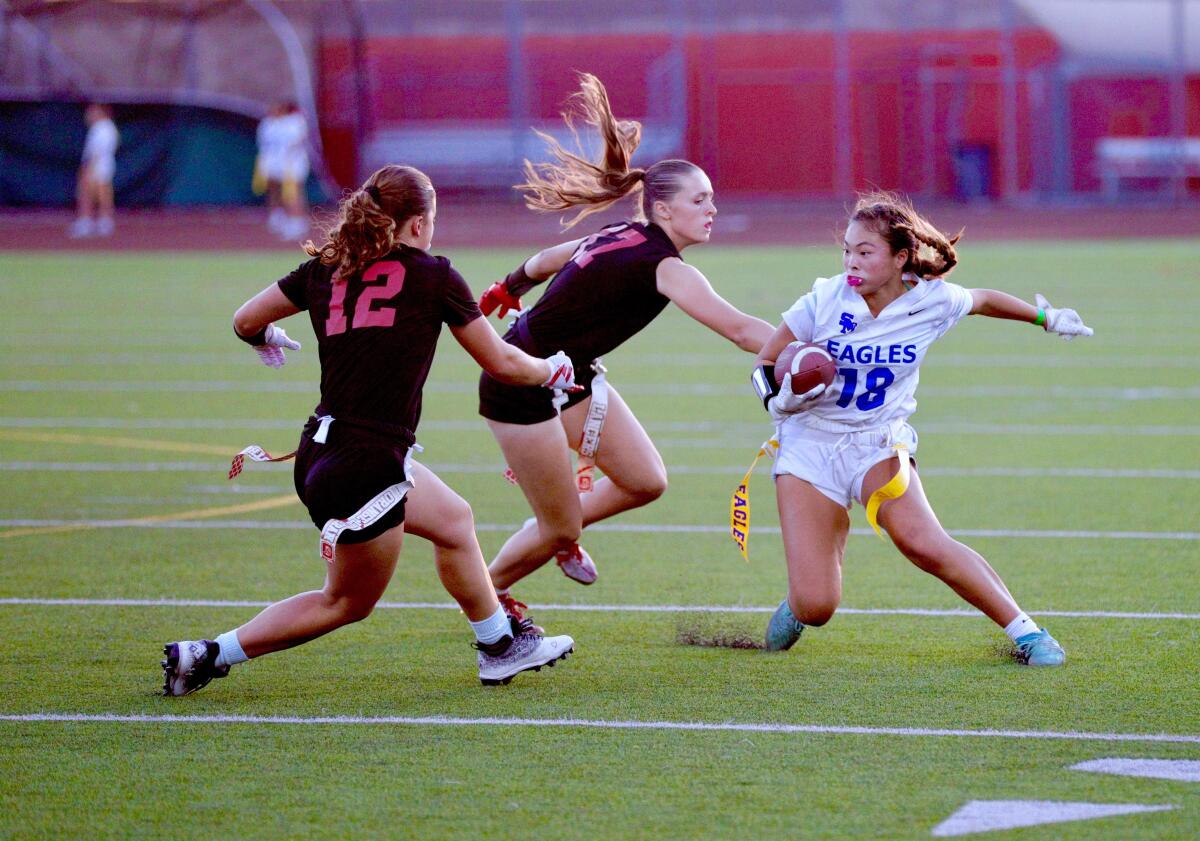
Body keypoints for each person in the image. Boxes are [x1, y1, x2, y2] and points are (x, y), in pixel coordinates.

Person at [161, 164, 579, 696]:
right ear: (418, 223)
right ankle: (206, 654)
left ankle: (499, 645)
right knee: (346, 603)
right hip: (366, 465)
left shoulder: (326, 268)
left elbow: (245, 320)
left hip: (324, 447)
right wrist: (552, 369)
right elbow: (502, 362)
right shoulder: (434, 275)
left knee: (453, 521)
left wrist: (267, 336)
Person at [475, 73, 774, 626]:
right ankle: (488, 593)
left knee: (644, 481)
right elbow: (738, 330)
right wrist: (806, 349)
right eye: (700, 199)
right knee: (560, 525)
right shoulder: (661, 263)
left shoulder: (624, 233)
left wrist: (509, 285)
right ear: (664, 210)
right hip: (522, 380)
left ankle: (557, 529)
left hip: (568, 374)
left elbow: (547, 259)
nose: (712, 208)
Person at [750, 191, 1093, 665]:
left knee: (922, 541)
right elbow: (766, 361)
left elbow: (984, 299)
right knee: (817, 606)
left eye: (865, 251)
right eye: (847, 250)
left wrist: (1045, 317)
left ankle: (1028, 633)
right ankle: (804, 591)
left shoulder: (932, 300)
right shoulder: (825, 298)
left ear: (901, 257)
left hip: (877, 441)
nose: (851, 261)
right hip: (811, 442)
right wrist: (779, 395)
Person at [68, 103, 118, 238]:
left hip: (99, 166)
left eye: (93, 111)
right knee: (90, 194)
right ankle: (89, 222)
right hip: (96, 165)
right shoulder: (98, 128)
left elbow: (98, 151)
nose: (89, 115)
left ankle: (97, 222)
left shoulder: (105, 128)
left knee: (97, 194)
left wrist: (88, 169)